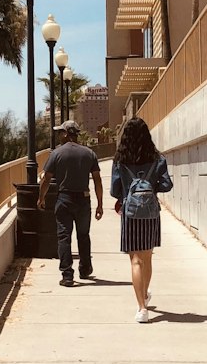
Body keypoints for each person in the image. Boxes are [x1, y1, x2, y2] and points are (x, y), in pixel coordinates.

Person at [110, 117, 173, 323]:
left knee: (135, 261)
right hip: (150, 213)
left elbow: (114, 190)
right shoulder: (157, 158)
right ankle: (144, 294)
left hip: (130, 214)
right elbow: (166, 185)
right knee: (147, 258)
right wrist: (150, 186)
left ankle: (142, 308)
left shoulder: (120, 160)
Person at [37, 120, 103, 287]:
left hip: (64, 199)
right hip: (84, 200)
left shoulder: (57, 154)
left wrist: (41, 197)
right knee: (83, 235)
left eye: (61, 132)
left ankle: (67, 275)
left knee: (64, 236)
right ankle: (85, 268)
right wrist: (100, 204)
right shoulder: (89, 153)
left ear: (67, 133)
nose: (59, 135)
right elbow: (97, 180)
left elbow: (46, 178)